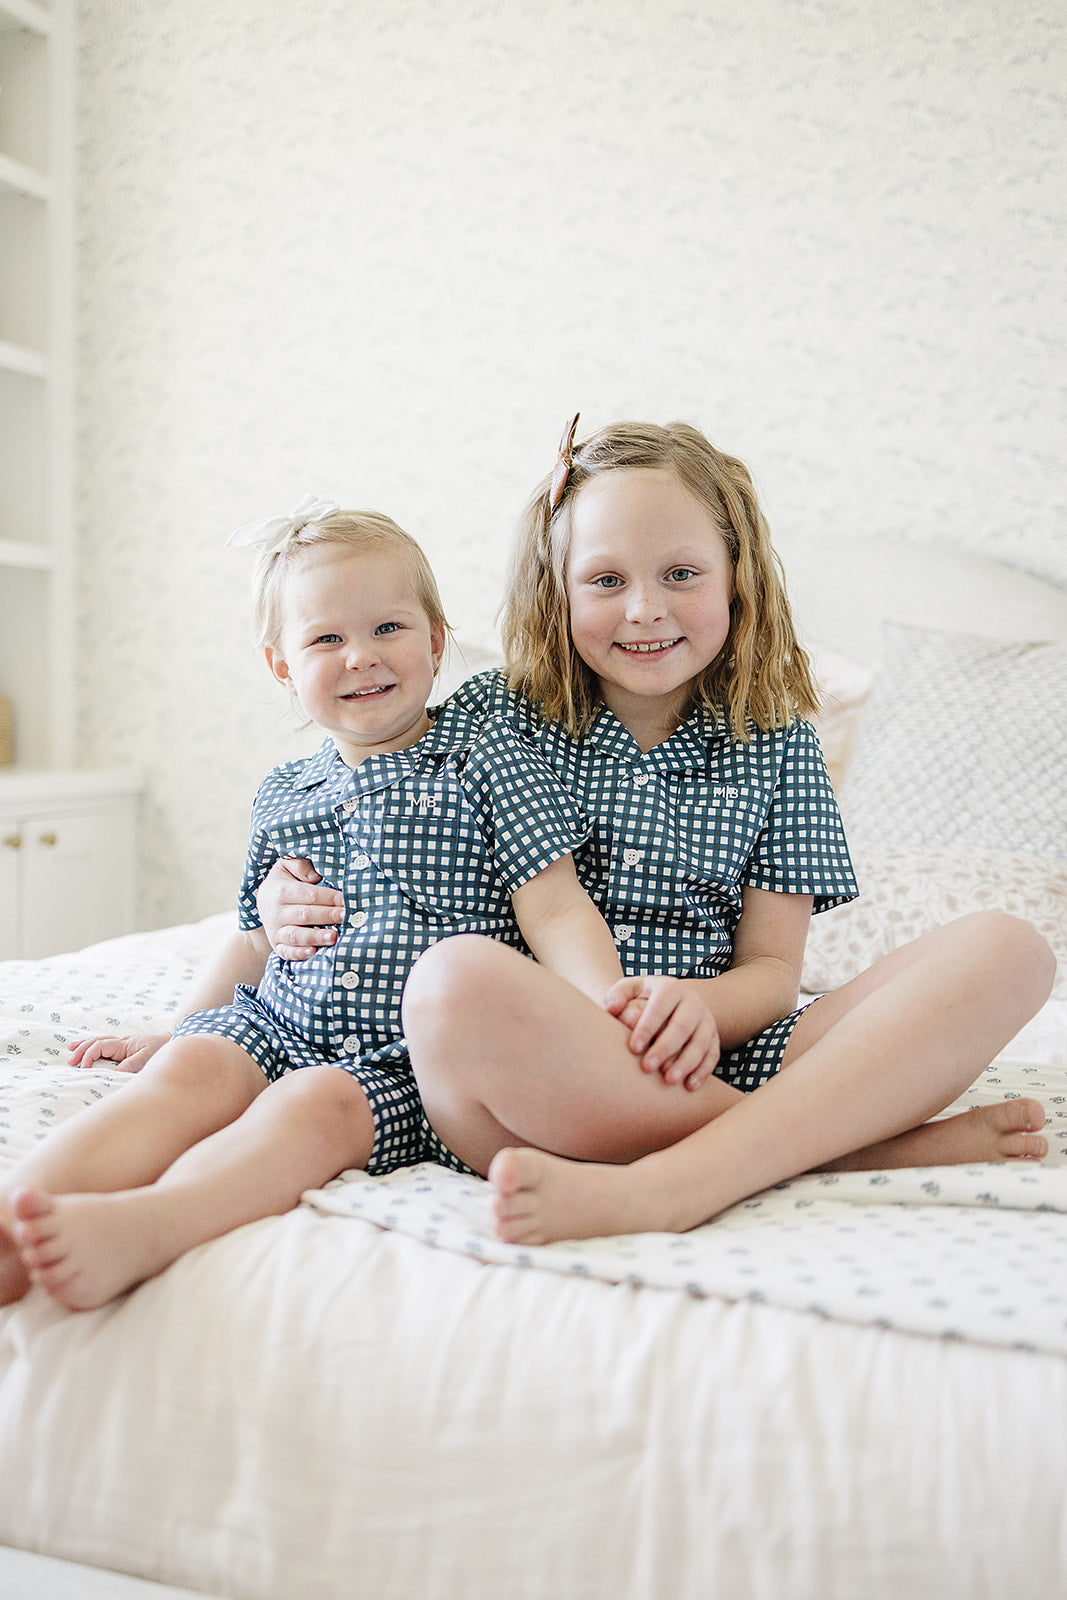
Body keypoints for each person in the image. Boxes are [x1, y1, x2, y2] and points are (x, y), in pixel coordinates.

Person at [256, 420, 1055, 1247]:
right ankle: (828, 1148)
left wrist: (696, 1008)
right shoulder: (496, 716)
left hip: (723, 1056)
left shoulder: (776, 742)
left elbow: (774, 975)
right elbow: (366, 803)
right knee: (449, 982)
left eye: (680, 574)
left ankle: (684, 1177)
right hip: (546, 1077)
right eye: (605, 579)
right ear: (555, 590)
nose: (644, 610)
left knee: (1010, 949)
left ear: (735, 579)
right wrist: (286, 894)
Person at [1, 499, 713, 1311]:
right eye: (326, 639)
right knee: (188, 1070)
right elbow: (249, 944)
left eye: (387, 629)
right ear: (282, 668)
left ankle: (151, 1223)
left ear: (436, 640)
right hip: (277, 1022)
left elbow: (553, 908)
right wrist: (172, 1028)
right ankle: (24, 1197)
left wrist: (604, 1013)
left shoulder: (484, 760)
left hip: (396, 1063)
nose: (360, 658)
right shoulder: (286, 791)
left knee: (314, 1108)